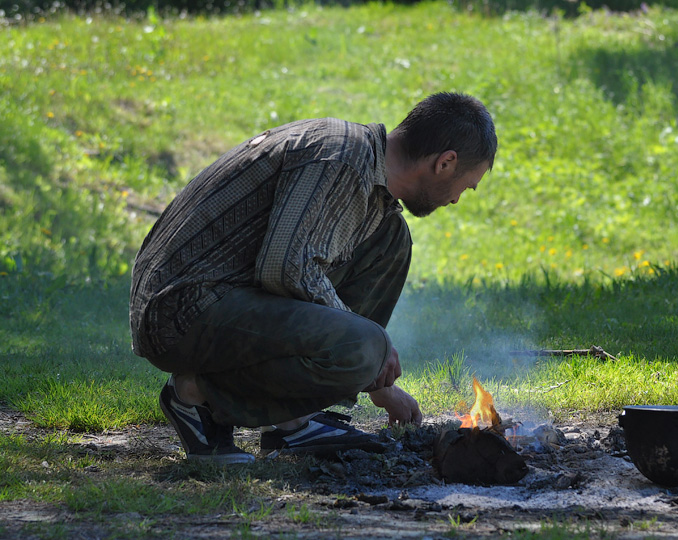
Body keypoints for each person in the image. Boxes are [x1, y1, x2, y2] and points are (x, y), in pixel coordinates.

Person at [129, 92, 497, 464]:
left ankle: (294, 422)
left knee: (389, 239)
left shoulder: (362, 169)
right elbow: (285, 268)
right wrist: (371, 355)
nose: (456, 200)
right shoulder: (340, 159)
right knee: (366, 344)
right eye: (466, 186)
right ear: (446, 162)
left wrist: (374, 374)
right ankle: (196, 395)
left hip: (221, 297)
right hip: (181, 311)